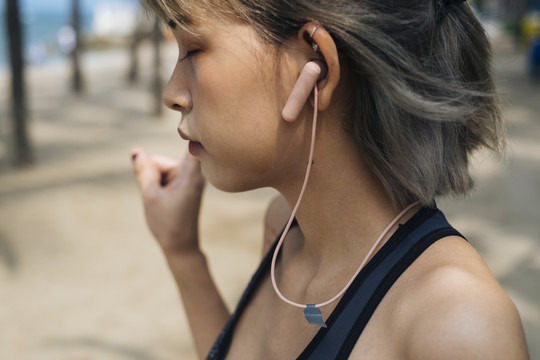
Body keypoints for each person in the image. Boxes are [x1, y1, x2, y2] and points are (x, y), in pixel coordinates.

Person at [131, 0, 530, 359]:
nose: (172, 93)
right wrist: (181, 251)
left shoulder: (459, 326)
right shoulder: (285, 229)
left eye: (194, 50)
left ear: (315, 66)